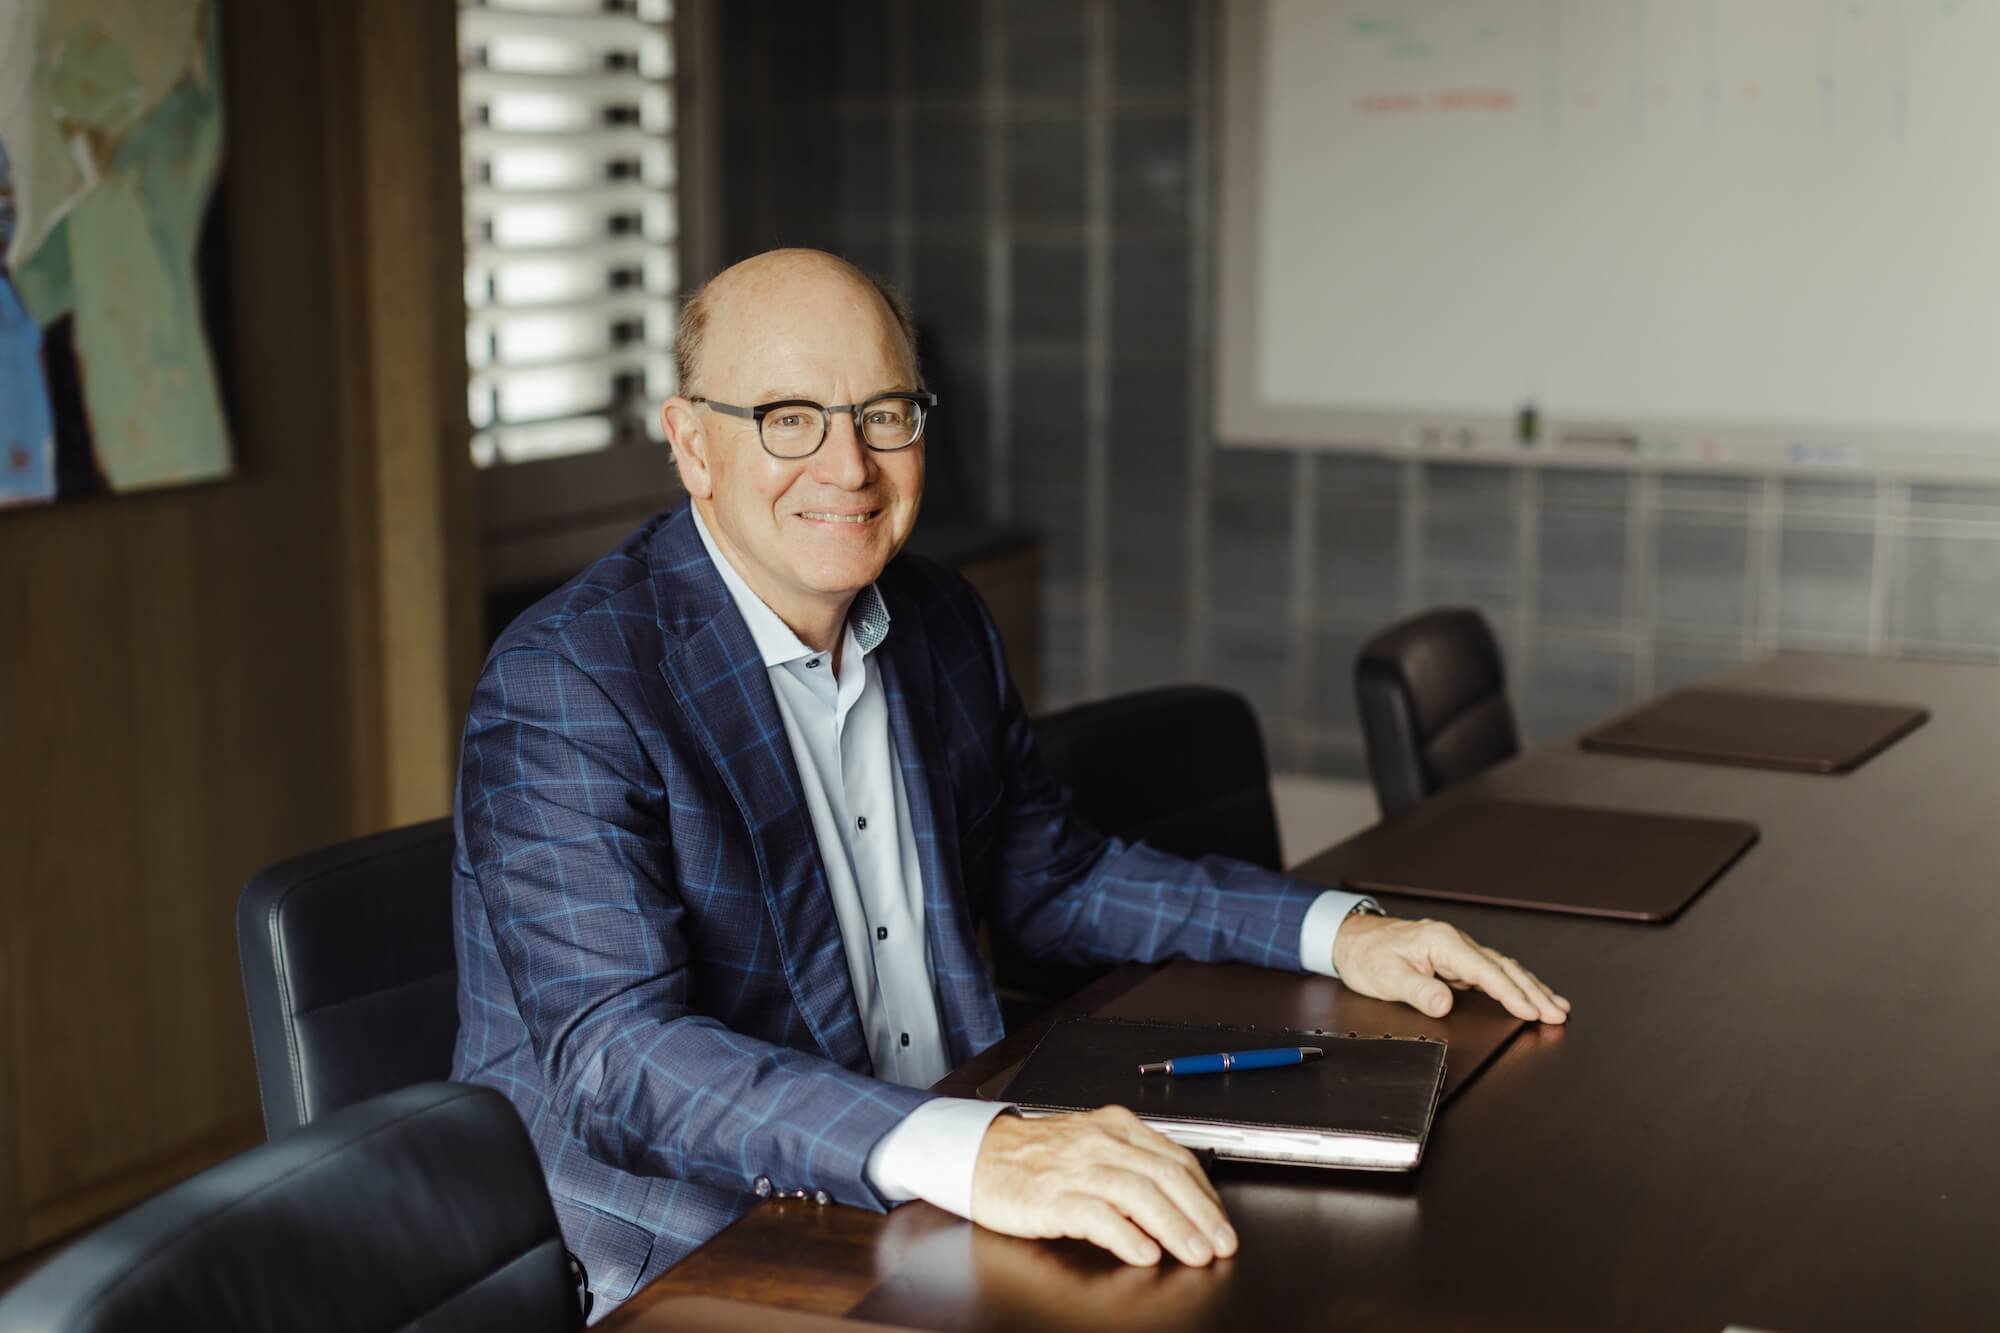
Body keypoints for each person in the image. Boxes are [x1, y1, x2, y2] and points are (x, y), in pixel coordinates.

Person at [451, 248, 1569, 1317]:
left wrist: (1337, 934)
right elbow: (618, 1058)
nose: (847, 466)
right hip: (702, 1241)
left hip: (954, 1182)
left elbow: (1055, 878)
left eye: (883, 413)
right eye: (789, 418)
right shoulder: (569, 680)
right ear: (693, 446)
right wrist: (978, 1152)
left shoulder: (938, 618)